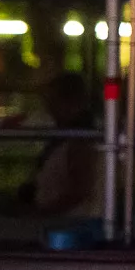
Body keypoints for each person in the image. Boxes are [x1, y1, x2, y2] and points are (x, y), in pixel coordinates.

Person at [18, 71, 101, 217]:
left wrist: (44, 213)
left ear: (70, 103)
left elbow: (79, 190)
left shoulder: (80, 141)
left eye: (53, 102)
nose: (49, 110)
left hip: (69, 223)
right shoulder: (67, 137)